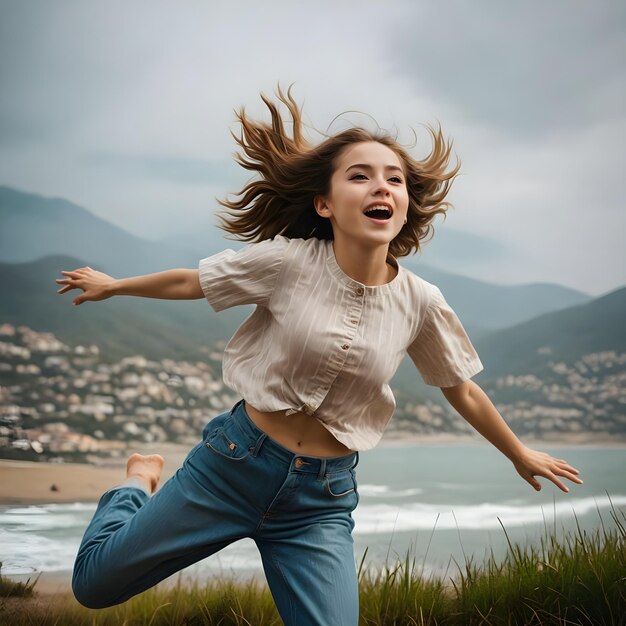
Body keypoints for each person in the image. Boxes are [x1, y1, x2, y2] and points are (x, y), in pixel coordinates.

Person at [56, 87, 583, 625]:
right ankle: (136, 484)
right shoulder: (289, 262)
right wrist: (114, 286)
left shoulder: (421, 302)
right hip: (233, 466)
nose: (381, 185)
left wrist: (519, 454)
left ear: (404, 205)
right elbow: (195, 281)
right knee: (94, 586)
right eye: (360, 175)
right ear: (324, 203)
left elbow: (462, 388)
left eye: (394, 179)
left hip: (320, 501)